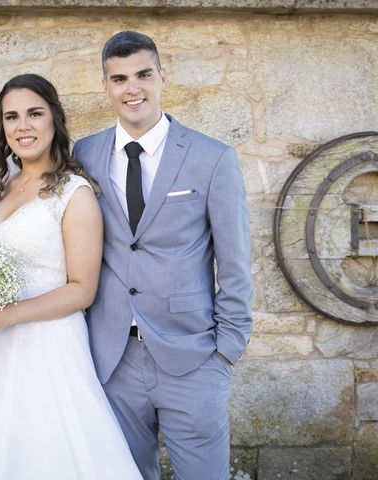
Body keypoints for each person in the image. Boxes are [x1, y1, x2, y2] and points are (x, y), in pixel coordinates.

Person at [0, 74, 143, 480]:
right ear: (3, 127)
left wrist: (7, 315)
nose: (23, 126)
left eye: (34, 114)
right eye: (12, 117)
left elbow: (82, 289)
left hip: (48, 350)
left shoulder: (75, 193)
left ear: (53, 120)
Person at [73, 31, 253, 480]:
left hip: (192, 357)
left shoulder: (212, 159)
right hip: (112, 359)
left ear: (162, 77)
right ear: (106, 86)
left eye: (143, 75)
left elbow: (235, 263)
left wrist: (226, 351)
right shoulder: (85, 154)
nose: (132, 88)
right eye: (120, 79)